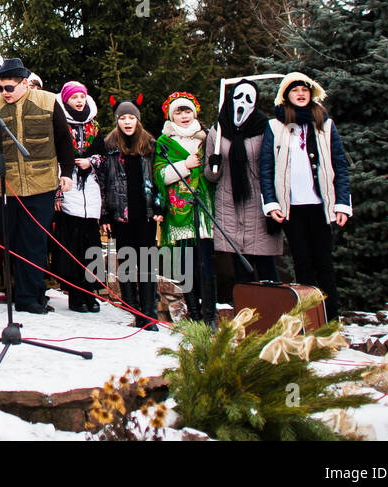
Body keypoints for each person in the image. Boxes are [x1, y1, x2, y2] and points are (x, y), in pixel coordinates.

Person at [0, 58, 76, 315]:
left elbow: (63, 140)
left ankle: (32, 297)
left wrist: (68, 172)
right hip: (5, 186)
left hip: (41, 184)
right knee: (13, 242)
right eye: (0, 88)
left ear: (25, 84)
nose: (4, 93)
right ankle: (23, 293)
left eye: (10, 87)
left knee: (35, 241)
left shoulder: (48, 102)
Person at [259, 72, 352, 320]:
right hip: (292, 208)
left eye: (305, 90)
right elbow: (266, 168)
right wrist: (271, 203)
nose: (301, 94)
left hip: (321, 206)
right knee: (303, 265)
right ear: (286, 95)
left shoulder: (325, 124)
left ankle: (331, 319)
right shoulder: (275, 126)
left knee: (325, 264)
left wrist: (342, 204)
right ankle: (311, 320)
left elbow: (340, 165)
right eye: (295, 90)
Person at [204, 79, 282, 289]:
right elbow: (211, 177)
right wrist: (214, 165)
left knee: (266, 263)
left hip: (257, 203)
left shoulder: (265, 128)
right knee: (239, 265)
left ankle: (275, 312)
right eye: (238, 96)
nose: (243, 102)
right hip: (230, 205)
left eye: (249, 98)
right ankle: (247, 314)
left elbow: (272, 166)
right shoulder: (218, 131)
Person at [153, 91, 216, 323]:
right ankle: (194, 313)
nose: (184, 116)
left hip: (203, 210)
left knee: (206, 262)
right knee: (186, 265)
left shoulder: (207, 138)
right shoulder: (164, 142)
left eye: (187, 110)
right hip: (179, 212)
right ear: (172, 116)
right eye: (179, 112)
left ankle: (209, 314)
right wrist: (185, 165)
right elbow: (160, 175)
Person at [98, 98, 159, 331]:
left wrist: (159, 206)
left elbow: (158, 180)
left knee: (146, 264)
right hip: (120, 215)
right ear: (117, 121)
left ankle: (149, 314)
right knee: (126, 264)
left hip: (145, 214)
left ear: (138, 119)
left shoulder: (150, 145)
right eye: (122, 118)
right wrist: (104, 216)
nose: (127, 122)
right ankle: (133, 311)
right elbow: (102, 182)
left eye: (131, 117)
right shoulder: (109, 146)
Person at [56, 80, 104, 312]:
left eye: (82, 97)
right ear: (66, 100)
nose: (79, 101)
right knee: (72, 243)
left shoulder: (94, 125)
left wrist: (90, 161)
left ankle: (90, 292)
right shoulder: (60, 123)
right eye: (74, 97)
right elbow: (53, 154)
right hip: (68, 182)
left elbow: (104, 154)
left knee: (91, 242)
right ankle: (75, 294)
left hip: (91, 185)